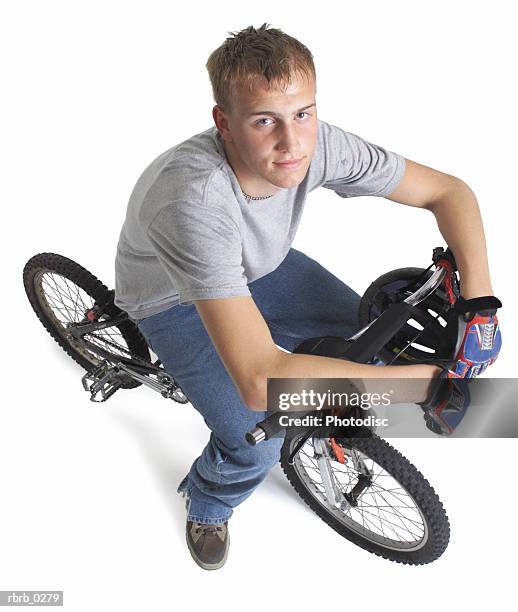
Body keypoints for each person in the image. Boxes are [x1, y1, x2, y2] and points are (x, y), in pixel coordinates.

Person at [114, 24, 501, 570]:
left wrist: (479, 306)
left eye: (303, 113)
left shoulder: (316, 145)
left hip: (261, 267)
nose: (291, 143)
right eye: (264, 120)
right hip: (174, 299)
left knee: (367, 345)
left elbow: (448, 192)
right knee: (257, 441)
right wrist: (423, 388)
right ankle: (210, 500)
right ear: (223, 122)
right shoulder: (194, 201)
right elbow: (258, 381)